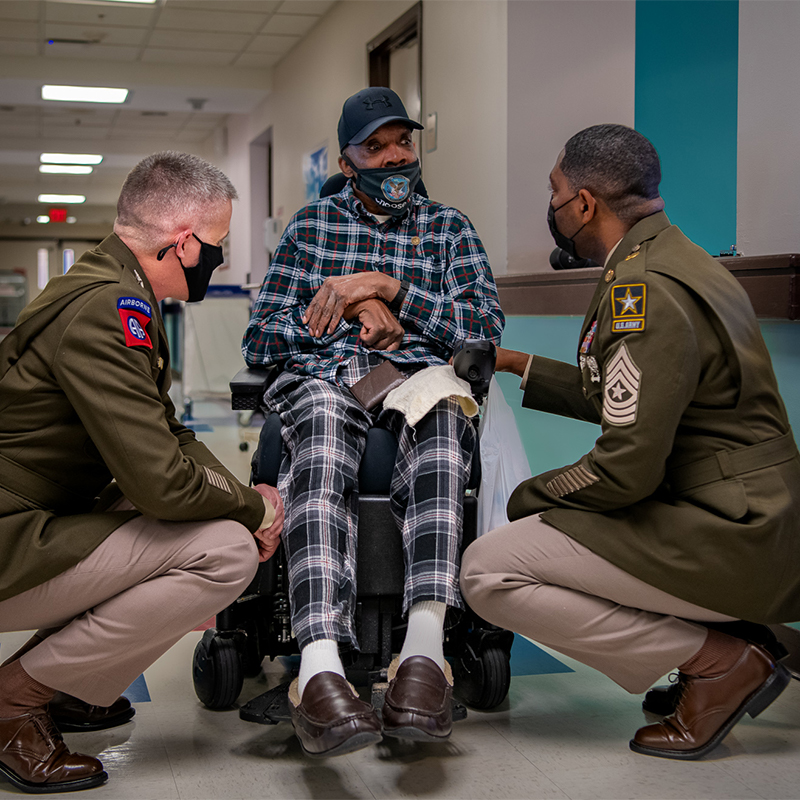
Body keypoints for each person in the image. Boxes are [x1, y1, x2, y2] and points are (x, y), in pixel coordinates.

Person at [461, 124, 800, 761]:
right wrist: (514, 363)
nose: (554, 207)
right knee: (548, 535)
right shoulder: (681, 259)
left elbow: (625, 471)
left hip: (732, 531)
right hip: (756, 513)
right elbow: (635, 394)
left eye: (556, 192)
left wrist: (526, 497)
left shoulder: (642, 290)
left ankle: (720, 659)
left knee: (489, 568)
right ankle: (739, 632)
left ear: (584, 203)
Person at [0, 151, 284, 793]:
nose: (217, 257)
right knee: (225, 552)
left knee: (177, 519)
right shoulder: (109, 308)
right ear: (182, 243)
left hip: (28, 520)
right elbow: (160, 479)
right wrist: (255, 512)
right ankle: (13, 700)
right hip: (11, 538)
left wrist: (241, 493)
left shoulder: (108, 285)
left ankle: (66, 686)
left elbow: (170, 433)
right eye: (216, 244)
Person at [243, 87, 504, 757]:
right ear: (347, 159)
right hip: (328, 380)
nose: (393, 157)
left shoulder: (451, 229)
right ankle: (321, 666)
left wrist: (392, 292)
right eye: (375, 146)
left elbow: (481, 335)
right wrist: (343, 320)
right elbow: (261, 341)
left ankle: (422, 656)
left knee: (447, 417)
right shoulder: (310, 228)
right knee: (325, 433)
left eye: (402, 142)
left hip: (418, 378)